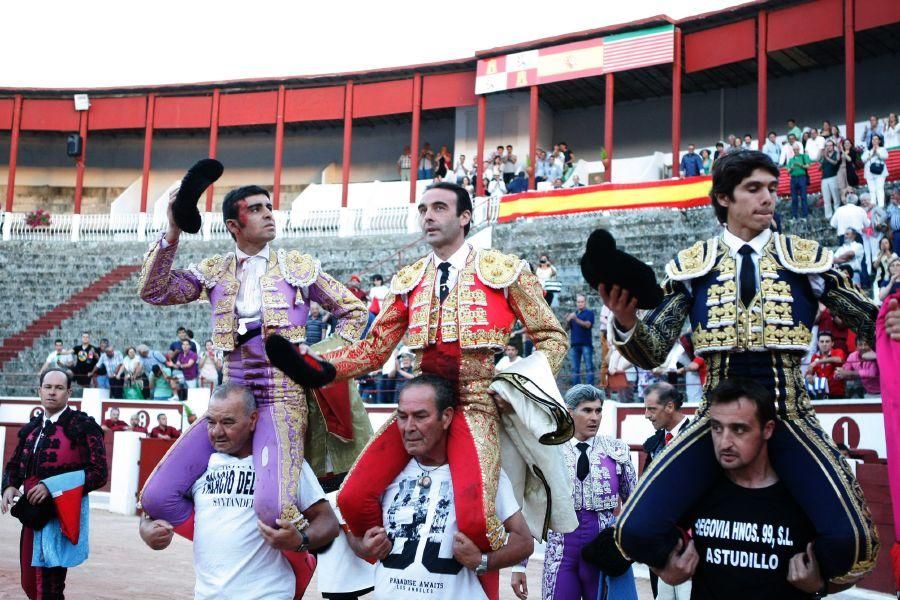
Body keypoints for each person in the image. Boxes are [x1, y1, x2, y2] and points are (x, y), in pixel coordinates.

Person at [270, 182, 568, 595]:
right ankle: (392, 565)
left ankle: (479, 573)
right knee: (354, 497)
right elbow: (374, 351)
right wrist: (318, 370)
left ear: (465, 217)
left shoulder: (505, 271)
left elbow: (553, 337)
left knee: (477, 520)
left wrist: (518, 388)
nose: (428, 216)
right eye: (423, 209)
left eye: (439, 208)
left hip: (477, 402)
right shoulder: (409, 281)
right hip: (422, 404)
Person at [602, 150, 878, 584]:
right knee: (634, 529)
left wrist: (892, 318)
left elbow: (870, 318)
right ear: (724, 198)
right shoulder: (694, 266)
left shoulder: (805, 258)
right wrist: (626, 323)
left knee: (854, 540)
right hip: (716, 419)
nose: (769, 198)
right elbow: (653, 351)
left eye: (772, 188)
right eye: (754, 189)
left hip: (787, 414)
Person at [138, 182, 368, 533]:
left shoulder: (297, 267)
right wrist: (173, 229)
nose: (268, 215)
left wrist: (320, 361)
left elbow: (353, 311)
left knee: (273, 508)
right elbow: (155, 291)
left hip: (283, 397)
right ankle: (222, 538)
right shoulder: (215, 272)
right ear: (234, 225)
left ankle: (297, 560)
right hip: (231, 398)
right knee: (156, 497)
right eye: (257, 209)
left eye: (269, 207)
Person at [139, 383, 339, 600]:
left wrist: (301, 540)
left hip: (269, 593)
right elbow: (151, 512)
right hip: (208, 595)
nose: (217, 431)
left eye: (228, 422)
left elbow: (328, 522)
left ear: (252, 420)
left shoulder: (282, 464)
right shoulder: (200, 467)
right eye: (211, 422)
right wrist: (146, 529)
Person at [345, 375, 534, 600]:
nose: (408, 427)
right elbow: (353, 536)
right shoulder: (382, 474)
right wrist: (363, 547)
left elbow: (523, 540)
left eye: (420, 416)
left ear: (446, 417)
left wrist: (483, 562)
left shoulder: (481, 472)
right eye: (402, 417)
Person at [656, 378, 831, 599]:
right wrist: (666, 572)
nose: (724, 442)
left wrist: (820, 585)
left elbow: (853, 564)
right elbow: (651, 535)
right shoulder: (699, 487)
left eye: (739, 429)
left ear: (768, 429)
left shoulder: (802, 493)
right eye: (717, 428)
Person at [511, 384, 636, 600]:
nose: (594, 417)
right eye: (587, 410)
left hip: (602, 552)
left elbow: (635, 505)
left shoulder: (616, 450)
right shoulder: (548, 451)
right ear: (569, 412)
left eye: (598, 411)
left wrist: (629, 549)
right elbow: (532, 510)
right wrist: (519, 566)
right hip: (560, 554)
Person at [1, 369, 108, 600]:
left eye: (59, 388)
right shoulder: (32, 428)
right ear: (39, 391)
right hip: (32, 514)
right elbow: (14, 464)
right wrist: (10, 485)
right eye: (48, 387)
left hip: (61, 514)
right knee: (30, 582)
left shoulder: (83, 426)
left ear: (69, 392)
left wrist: (53, 486)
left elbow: (99, 473)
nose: (52, 392)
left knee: (48, 586)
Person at [641, 382, 693, 600]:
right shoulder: (654, 443)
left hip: (691, 544)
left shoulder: (697, 437)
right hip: (661, 545)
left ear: (670, 407)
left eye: (651, 409)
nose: (646, 415)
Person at [805, 331, 846, 399]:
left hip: (837, 394)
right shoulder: (815, 356)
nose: (824, 344)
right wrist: (809, 376)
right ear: (818, 343)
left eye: (827, 341)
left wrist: (818, 362)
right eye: (822, 341)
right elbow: (810, 373)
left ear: (832, 343)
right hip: (820, 395)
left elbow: (838, 359)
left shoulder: (838, 351)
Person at [567, 294, 595, 385]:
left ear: (585, 302)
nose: (580, 304)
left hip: (586, 344)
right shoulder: (573, 314)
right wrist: (568, 320)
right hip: (574, 345)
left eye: (582, 302)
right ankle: (576, 390)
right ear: (576, 303)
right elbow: (566, 329)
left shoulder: (589, 313)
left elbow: (588, 325)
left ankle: (590, 389)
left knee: (589, 368)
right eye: (578, 302)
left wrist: (575, 318)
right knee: (575, 369)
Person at [862, 133, 889, 206]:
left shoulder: (882, 149)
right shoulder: (867, 150)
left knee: (879, 189)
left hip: (880, 172)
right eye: (873, 139)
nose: (874, 140)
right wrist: (872, 153)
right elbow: (863, 159)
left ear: (879, 141)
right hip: (869, 173)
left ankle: (881, 206)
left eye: (876, 139)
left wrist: (876, 152)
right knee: (872, 190)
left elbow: (885, 157)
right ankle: (873, 205)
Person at [787, 142, 812, 218]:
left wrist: (800, 165)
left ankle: (805, 215)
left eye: (796, 149)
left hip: (802, 177)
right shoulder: (791, 159)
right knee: (794, 198)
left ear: (799, 149)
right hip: (793, 178)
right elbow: (788, 171)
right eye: (794, 149)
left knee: (803, 197)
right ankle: (794, 215)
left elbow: (808, 166)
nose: (795, 150)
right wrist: (792, 168)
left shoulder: (804, 156)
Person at [820, 139, 840, 216]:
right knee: (826, 198)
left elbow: (835, 162)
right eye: (827, 146)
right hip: (824, 178)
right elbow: (820, 167)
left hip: (833, 177)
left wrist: (826, 157)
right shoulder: (824, 155)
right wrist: (822, 157)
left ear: (833, 146)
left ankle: (837, 214)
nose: (829, 147)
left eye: (830, 145)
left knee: (836, 197)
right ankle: (828, 216)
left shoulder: (836, 153)